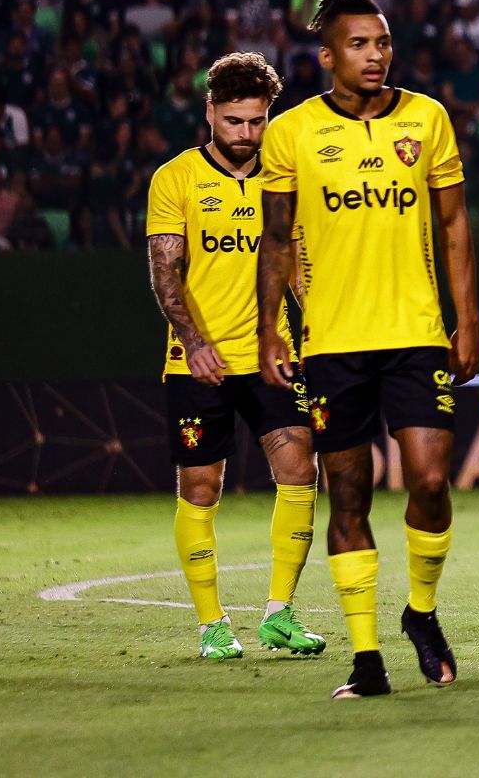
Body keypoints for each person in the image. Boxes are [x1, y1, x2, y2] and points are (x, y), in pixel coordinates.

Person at [255, 0, 479, 699]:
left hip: (415, 333)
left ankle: (421, 611)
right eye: (360, 44)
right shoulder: (290, 132)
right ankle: (365, 656)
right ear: (328, 57)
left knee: (430, 483)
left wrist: (466, 318)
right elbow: (274, 238)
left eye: (382, 42)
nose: (376, 55)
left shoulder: (428, 118)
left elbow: (454, 227)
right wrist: (271, 326)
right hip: (333, 343)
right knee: (348, 496)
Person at [145, 53, 324, 661]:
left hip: (273, 355)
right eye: (234, 121)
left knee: (300, 469)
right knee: (200, 486)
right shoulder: (176, 179)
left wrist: (322, 337)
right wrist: (194, 342)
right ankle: (212, 624)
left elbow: (301, 269)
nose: (246, 133)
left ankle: (279, 612)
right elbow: (165, 272)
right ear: (210, 113)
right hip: (201, 361)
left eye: (257, 121)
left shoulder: (285, 179)